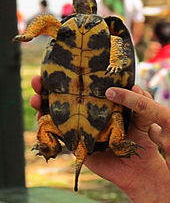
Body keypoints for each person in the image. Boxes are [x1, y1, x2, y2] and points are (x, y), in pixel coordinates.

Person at [30, 75, 170, 202]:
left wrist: (148, 180)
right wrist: (148, 175)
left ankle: (48, 145)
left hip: (69, 119)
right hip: (99, 124)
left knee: (46, 121)